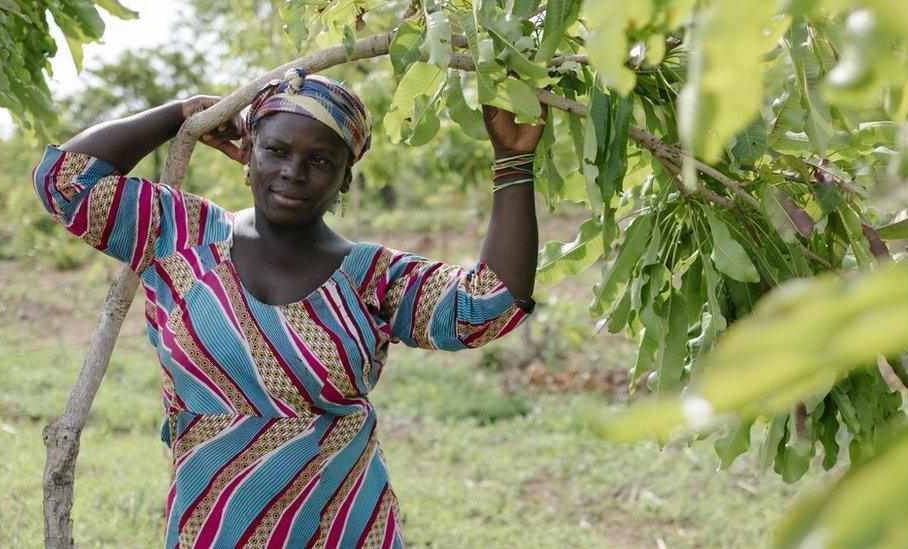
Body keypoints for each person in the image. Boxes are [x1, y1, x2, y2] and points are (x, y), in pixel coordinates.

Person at [32, 68, 542, 548]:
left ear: (345, 179)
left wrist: (514, 161)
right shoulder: (179, 235)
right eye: (276, 150)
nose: (293, 172)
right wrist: (181, 114)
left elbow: (489, 305)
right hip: (215, 521)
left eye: (320, 161)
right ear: (247, 151)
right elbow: (63, 179)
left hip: (344, 523)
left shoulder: (372, 277)